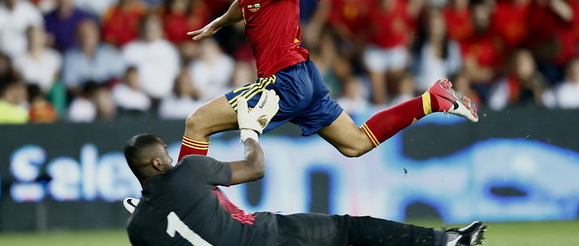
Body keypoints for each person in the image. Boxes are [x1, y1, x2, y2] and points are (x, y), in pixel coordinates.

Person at [179, 0, 478, 161]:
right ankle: (432, 100)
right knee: (356, 144)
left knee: (198, 122)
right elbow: (244, 3)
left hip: (283, 81)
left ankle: (173, 202)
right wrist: (218, 22)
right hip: (303, 77)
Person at [124, 90, 487, 246]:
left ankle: (429, 100)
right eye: (166, 156)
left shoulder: (138, 227)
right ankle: (443, 241)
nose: (172, 159)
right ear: (157, 162)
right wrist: (250, 129)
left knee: (355, 143)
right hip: (271, 236)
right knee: (349, 226)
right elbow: (255, 167)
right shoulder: (188, 172)